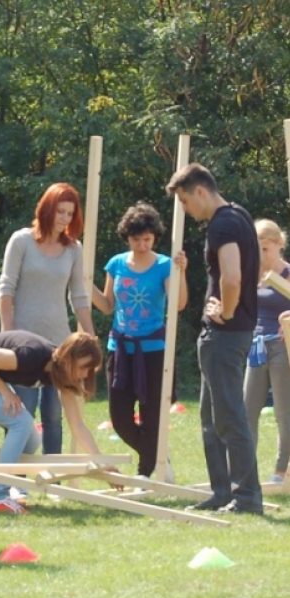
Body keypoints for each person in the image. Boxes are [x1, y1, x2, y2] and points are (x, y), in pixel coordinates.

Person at [166, 163, 262, 514]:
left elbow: (232, 277)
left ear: (201, 192)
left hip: (226, 333)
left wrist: (228, 311)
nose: (187, 212)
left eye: (186, 203)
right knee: (210, 417)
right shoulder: (239, 215)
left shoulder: (223, 224)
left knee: (228, 416)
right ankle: (222, 492)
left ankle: (247, 497)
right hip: (225, 335)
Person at [0, 329, 103, 513]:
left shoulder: (62, 374)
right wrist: (6, 392)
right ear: (68, 358)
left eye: (90, 370)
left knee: (33, 437)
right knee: (22, 422)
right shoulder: (31, 354)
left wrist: (104, 464)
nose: (85, 375)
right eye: (83, 367)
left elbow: (77, 426)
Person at [0, 183, 97, 454]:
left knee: (54, 416)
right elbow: (6, 289)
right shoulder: (21, 241)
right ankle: (16, 478)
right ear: (47, 209)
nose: (64, 218)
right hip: (23, 344)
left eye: (69, 213)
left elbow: (78, 295)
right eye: (60, 211)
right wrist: (5, 336)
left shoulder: (74, 249)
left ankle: (52, 477)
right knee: (22, 413)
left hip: (59, 345)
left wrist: (90, 337)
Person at [94, 202, 188, 477]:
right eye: (136, 240)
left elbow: (179, 304)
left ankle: (146, 473)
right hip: (121, 349)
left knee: (152, 416)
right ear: (127, 237)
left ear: (154, 237)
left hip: (153, 351)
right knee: (120, 418)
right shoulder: (116, 264)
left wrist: (180, 273)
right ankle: (157, 455)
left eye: (147, 239)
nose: (142, 245)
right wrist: (84, 283)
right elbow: (107, 305)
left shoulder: (164, 265)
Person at [243, 219, 290, 484]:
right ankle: (245, 470)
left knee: (285, 411)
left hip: (283, 347)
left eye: (265, 248)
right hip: (257, 347)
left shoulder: (286, 274)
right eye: (256, 248)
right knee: (247, 409)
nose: (261, 254)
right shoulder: (253, 275)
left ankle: (281, 471)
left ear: (278, 244)